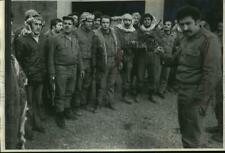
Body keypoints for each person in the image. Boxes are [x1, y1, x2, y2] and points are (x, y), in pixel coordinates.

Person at [157, 6, 222, 148]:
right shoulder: (185, 38)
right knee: (186, 130)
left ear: (198, 22)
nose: (185, 28)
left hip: (195, 95)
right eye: (182, 24)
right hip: (183, 92)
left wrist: (201, 100)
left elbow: (212, 74)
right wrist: (162, 55)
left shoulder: (210, 40)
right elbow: (176, 60)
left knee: (192, 136)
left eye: (188, 23)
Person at [48, 16, 84, 128]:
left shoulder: (74, 39)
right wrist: (52, 73)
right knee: (60, 93)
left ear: (73, 26)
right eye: (65, 23)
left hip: (73, 68)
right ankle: (60, 115)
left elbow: (79, 55)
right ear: (62, 25)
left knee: (70, 91)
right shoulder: (55, 39)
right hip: (61, 69)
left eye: (69, 23)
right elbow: (50, 57)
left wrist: (81, 68)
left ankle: (67, 110)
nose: (67, 25)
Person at [15, 14, 47, 134]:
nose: (38, 27)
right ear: (30, 25)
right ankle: (27, 128)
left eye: (40, 25)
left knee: (38, 101)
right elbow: (19, 59)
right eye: (35, 24)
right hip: (28, 77)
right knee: (28, 104)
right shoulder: (22, 40)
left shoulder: (43, 39)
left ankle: (37, 123)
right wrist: (23, 76)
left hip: (40, 76)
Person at [92, 15, 121, 112]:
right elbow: (94, 52)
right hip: (103, 63)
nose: (105, 25)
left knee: (111, 84)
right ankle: (98, 104)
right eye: (103, 22)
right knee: (101, 85)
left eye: (107, 23)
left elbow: (118, 48)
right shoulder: (96, 35)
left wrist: (119, 61)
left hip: (114, 62)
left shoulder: (114, 33)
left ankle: (110, 102)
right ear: (101, 23)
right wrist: (95, 65)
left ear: (110, 23)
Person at [134, 13, 161, 103]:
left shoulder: (156, 29)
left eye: (148, 19)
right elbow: (136, 41)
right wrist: (143, 38)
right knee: (140, 75)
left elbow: (159, 40)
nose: (147, 21)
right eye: (145, 19)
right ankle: (138, 93)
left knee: (152, 76)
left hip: (153, 55)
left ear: (151, 21)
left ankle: (151, 94)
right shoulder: (139, 30)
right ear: (143, 21)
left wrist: (153, 36)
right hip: (142, 55)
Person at [205, 21, 223, 143]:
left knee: (222, 103)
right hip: (217, 73)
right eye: (219, 27)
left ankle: (223, 134)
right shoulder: (216, 36)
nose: (220, 28)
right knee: (217, 103)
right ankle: (220, 126)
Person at [73, 13, 95, 111]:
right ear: (83, 22)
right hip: (79, 62)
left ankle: (84, 103)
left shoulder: (92, 33)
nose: (90, 23)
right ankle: (76, 105)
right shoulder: (76, 33)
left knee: (87, 84)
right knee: (78, 85)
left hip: (89, 62)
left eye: (91, 21)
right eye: (88, 21)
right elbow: (74, 50)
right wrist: (79, 64)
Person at [115, 13, 137, 104]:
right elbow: (117, 42)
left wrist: (134, 44)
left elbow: (136, 43)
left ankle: (125, 95)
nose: (127, 22)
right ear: (122, 20)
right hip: (119, 55)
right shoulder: (118, 30)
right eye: (125, 20)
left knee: (128, 76)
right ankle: (113, 94)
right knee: (116, 75)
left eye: (129, 20)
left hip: (130, 56)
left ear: (131, 21)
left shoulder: (134, 31)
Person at [157, 20, 176, 98]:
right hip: (159, 56)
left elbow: (176, 46)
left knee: (165, 75)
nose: (166, 26)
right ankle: (154, 89)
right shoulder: (159, 34)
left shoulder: (174, 35)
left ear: (171, 26)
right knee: (157, 74)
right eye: (165, 24)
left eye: (168, 24)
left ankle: (161, 91)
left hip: (168, 57)